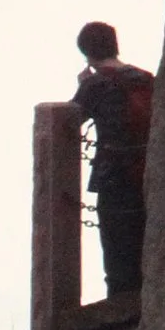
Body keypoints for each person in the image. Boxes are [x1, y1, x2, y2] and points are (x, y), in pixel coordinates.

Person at [67, 21, 154, 298]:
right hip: (150, 173)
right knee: (144, 241)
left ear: (86, 53)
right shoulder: (145, 78)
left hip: (114, 176)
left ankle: (121, 307)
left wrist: (83, 85)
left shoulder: (95, 84)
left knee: (117, 252)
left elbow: (70, 120)